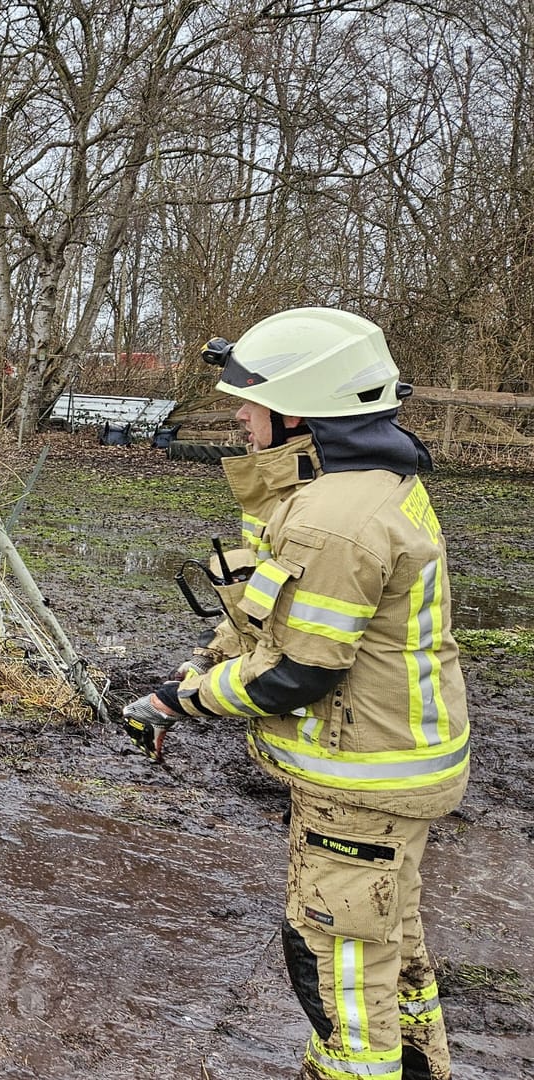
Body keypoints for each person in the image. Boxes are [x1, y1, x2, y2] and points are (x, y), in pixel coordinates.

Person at [122, 308, 467, 1080]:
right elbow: (273, 617)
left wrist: (180, 703)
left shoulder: (334, 520)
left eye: (249, 403)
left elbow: (299, 674)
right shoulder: (350, 489)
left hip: (363, 778)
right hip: (396, 769)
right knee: (390, 943)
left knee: (334, 958)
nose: (238, 418)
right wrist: (199, 667)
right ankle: (417, 1065)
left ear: (298, 411)